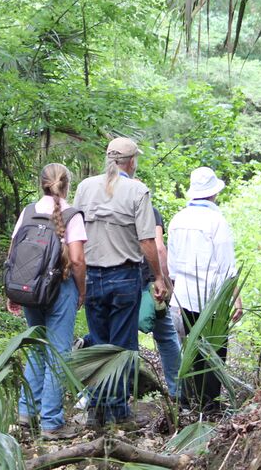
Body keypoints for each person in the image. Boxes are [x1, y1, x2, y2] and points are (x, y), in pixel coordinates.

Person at [73, 137, 169, 426]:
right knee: (124, 347)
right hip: (124, 276)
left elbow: (75, 233)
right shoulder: (137, 190)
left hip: (91, 277)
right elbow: (147, 241)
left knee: (99, 343)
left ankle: (96, 409)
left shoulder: (85, 187)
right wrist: (158, 276)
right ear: (131, 162)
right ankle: (118, 411)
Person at [6, 163, 86, 439]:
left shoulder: (28, 212)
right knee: (58, 352)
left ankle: (26, 412)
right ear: (67, 185)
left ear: (41, 183)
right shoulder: (72, 214)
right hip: (60, 288)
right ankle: (52, 422)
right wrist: (82, 290)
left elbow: (14, 253)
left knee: (37, 348)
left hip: (31, 289)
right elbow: (76, 259)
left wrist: (13, 291)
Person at [167, 167, 242, 414]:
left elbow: (173, 266)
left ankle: (191, 403)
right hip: (213, 298)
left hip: (185, 295)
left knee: (191, 348)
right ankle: (210, 406)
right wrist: (236, 298)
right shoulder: (216, 221)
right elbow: (226, 265)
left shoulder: (178, 219)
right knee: (214, 351)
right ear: (213, 194)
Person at [147, 207, 182, 399]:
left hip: (119, 279)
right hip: (148, 283)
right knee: (167, 335)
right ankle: (177, 391)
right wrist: (165, 280)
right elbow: (159, 247)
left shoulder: (111, 207)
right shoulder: (149, 211)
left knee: (115, 335)